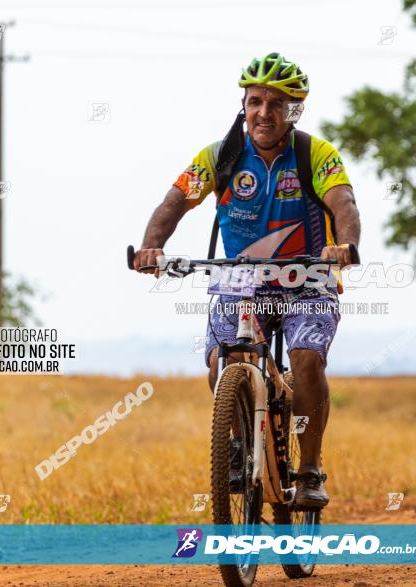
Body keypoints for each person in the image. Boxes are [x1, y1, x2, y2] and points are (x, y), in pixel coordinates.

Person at [133, 53, 361, 508]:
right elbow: (173, 203)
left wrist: (345, 246)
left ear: (293, 110)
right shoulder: (220, 156)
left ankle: (311, 468)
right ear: (244, 105)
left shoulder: (315, 154)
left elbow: (344, 204)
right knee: (222, 362)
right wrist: (150, 247)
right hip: (239, 282)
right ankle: (237, 443)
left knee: (306, 360)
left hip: (307, 280)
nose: (264, 113)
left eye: (277, 104)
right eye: (255, 101)